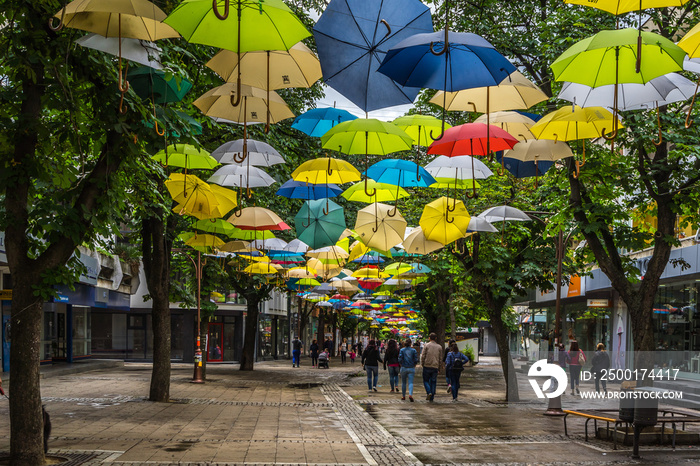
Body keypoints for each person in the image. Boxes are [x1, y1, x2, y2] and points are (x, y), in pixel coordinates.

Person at [420, 333, 442, 401]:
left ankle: (429, 392)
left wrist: (422, 363)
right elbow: (440, 358)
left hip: (427, 365)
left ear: (429, 338)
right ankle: (432, 396)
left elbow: (423, 355)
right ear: (435, 338)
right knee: (433, 381)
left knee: (426, 380)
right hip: (435, 366)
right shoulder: (439, 347)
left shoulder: (426, 345)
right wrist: (439, 367)